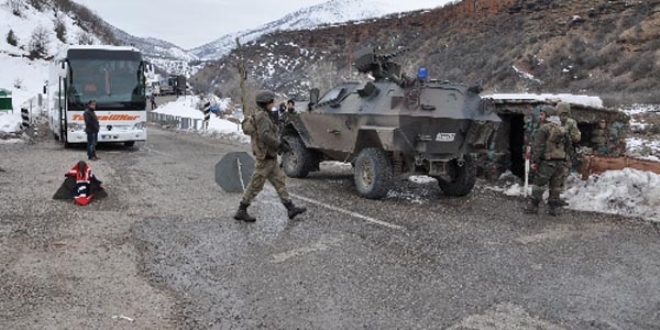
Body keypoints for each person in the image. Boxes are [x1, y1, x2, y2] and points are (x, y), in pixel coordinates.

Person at [233, 90, 307, 222]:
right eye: (271, 101)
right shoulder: (262, 116)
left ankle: (290, 208)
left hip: (270, 157)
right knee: (256, 184)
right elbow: (265, 135)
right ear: (265, 103)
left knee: (279, 182)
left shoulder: (265, 115)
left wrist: (279, 143)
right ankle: (241, 210)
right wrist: (279, 145)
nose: (273, 103)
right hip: (265, 157)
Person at [524, 108, 572, 216]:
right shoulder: (563, 129)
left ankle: (533, 206)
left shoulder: (543, 129)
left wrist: (534, 161)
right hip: (560, 163)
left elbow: (538, 147)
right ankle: (554, 209)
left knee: (539, 185)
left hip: (547, 162)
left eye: (542, 114)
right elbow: (569, 146)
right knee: (556, 186)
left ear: (548, 116)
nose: (540, 117)